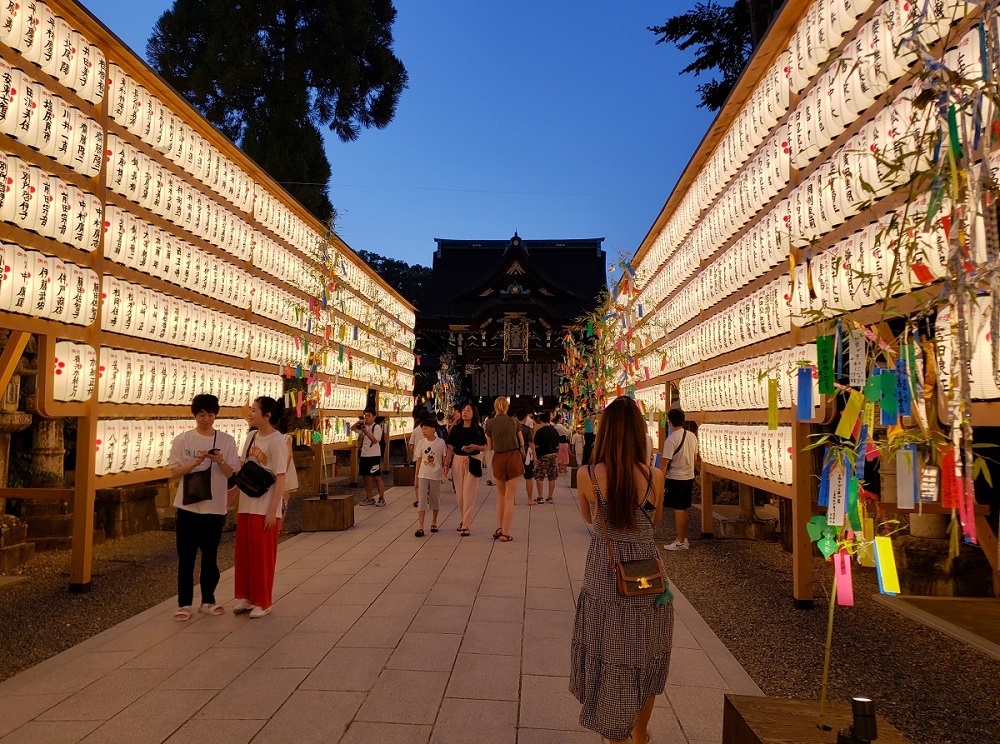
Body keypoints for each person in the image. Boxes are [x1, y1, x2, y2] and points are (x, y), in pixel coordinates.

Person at [571, 396, 671, 744]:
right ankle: (640, 732)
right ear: (639, 433)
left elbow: (589, 518)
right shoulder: (655, 475)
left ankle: (616, 735)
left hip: (605, 572)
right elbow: (654, 522)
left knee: (611, 654)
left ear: (605, 432)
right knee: (646, 654)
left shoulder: (587, 475)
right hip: (647, 572)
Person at [168, 394, 239, 621]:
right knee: (186, 557)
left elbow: (231, 474)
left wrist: (220, 461)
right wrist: (194, 463)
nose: (206, 419)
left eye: (210, 414)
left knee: (210, 556)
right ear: (194, 414)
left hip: (215, 507)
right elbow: (174, 472)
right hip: (188, 507)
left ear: (216, 415)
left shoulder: (226, 441)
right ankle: (184, 603)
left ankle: (208, 599)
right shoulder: (183, 440)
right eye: (201, 414)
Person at [231, 396, 288, 618]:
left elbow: (280, 477)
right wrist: (233, 494)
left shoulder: (277, 440)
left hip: (265, 506)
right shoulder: (251, 437)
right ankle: (245, 596)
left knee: (262, 555)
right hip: (247, 503)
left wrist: (274, 511)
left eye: (254, 410)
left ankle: (263, 601)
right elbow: (244, 470)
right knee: (244, 553)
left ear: (267, 415)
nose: (250, 412)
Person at [659, 408, 699, 551]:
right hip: (689, 476)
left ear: (669, 421)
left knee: (679, 510)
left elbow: (664, 465)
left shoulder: (671, 440)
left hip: (676, 478)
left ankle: (681, 541)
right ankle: (683, 538)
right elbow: (695, 457)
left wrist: (659, 483)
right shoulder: (691, 436)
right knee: (683, 508)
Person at [445, 402, 487, 536]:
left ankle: (466, 524)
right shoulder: (456, 428)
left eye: (468, 410)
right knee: (460, 494)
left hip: (473, 460)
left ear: (474, 413)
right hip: (457, 460)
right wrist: (446, 464)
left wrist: (475, 446)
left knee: (469, 494)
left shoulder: (478, 429)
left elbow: (485, 447)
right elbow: (450, 447)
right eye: (463, 410)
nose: (465, 412)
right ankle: (463, 519)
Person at [485, 397, 524, 541]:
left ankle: (499, 527)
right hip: (513, 456)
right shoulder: (514, 421)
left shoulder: (489, 423)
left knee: (501, 495)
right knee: (510, 497)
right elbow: (522, 441)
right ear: (507, 407)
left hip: (498, 458)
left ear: (495, 407)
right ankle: (506, 532)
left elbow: (489, 447)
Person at [413, 419, 448, 537]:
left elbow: (444, 458)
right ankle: (421, 526)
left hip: (436, 474)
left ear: (433, 429)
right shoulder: (421, 443)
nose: (423, 431)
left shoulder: (441, 442)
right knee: (422, 500)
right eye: (422, 429)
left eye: (426, 428)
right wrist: (416, 477)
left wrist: (445, 470)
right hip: (423, 474)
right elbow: (418, 460)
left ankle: (434, 522)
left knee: (435, 499)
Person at [356, 409, 386, 507]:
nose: (367, 418)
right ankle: (369, 497)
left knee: (377, 476)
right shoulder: (363, 426)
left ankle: (381, 498)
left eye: (369, 415)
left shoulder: (376, 427)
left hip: (374, 455)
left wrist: (366, 432)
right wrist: (358, 423)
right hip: (364, 454)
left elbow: (375, 440)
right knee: (365, 476)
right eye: (365, 416)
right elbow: (352, 429)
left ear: (374, 416)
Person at [532, 412, 560, 503]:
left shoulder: (539, 432)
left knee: (539, 476)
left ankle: (540, 497)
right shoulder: (554, 431)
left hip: (543, 456)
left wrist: (535, 458)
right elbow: (557, 446)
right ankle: (550, 497)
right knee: (552, 477)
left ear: (541, 421)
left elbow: (536, 446)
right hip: (553, 455)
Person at [517, 410, 537, 505]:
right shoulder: (527, 429)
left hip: (514, 454)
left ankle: (511, 499)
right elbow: (531, 444)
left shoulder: (513, 428)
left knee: (513, 478)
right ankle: (529, 499)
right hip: (525, 455)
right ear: (525, 419)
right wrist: (535, 457)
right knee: (529, 477)